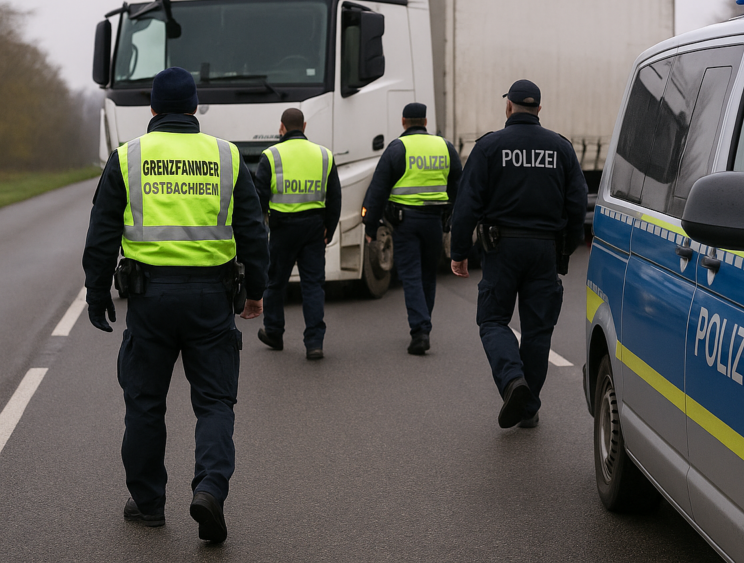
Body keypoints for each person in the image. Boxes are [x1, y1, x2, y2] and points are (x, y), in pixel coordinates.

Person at [82, 67, 269, 544]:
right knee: (214, 402)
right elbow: (252, 229)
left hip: (150, 300)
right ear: (194, 107)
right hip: (211, 299)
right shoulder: (226, 156)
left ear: (152, 109)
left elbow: (103, 232)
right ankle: (209, 489)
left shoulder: (128, 157)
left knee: (145, 403)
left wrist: (97, 291)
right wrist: (256, 291)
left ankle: (148, 504)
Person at [450, 79, 587, 429]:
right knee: (538, 331)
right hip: (545, 249)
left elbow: (467, 203)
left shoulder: (489, 147)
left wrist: (459, 250)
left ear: (508, 106)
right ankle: (529, 408)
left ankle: (513, 382)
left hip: (502, 249)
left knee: (493, 320)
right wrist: (566, 251)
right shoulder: (562, 149)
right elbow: (577, 206)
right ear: (539, 109)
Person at [362, 102, 462, 355]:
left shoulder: (398, 148)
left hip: (405, 223)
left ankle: (420, 330)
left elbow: (378, 190)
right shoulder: (445, 147)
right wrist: (453, 219)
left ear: (404, 121)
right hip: (434, 222)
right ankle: (424, 324)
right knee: (428, 274)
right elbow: (459, 187)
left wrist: (370, 226)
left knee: (410, 276)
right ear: (425, 122)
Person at [253, 108, 341, 360]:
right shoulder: (324, 155)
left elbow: (259, 197)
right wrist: (329, 229)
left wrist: (260, 229)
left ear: (281, 127)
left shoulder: (270, 156)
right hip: (314, 228)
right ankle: (314, 343)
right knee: (313, 285)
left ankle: (274, 333)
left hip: (282, 229)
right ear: (304, 128)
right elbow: (335, 197)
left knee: (275, 283)